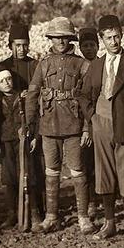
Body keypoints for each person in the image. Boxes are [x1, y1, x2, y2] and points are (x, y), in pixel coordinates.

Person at [25, 17, 94, 235]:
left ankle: (83, 217)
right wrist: (30, 125)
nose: (61, 41)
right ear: (51, 39)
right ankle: (52, 216)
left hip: (74, 126)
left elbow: (90, 97)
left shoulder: (82, 64)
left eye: (64, 37)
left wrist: (87, 128)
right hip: (48, 127)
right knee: (51, 172)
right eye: (57, 37)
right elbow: (33, 95)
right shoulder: (43, 64)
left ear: (70, 38)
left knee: (77, 171)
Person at [79, 15, 124, 241]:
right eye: (108, 38)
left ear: (122, 35)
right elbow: (83, 95)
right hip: (101, 123)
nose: (114, 42)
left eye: (117, 36)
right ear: (101, 39)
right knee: (104, 173)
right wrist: (93, 116)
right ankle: (109, 222)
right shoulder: (95, 65)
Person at [0, 69, 41, 231]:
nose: (7, 83)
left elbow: (34, 119)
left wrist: (34, 137)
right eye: (2, 81)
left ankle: (34, 212)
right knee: (9, 178)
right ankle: (12, 213)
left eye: (9, 79)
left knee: (28, 175)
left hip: (22, 142)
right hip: (5, 144)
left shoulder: (24, 98)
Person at [0, 23, 38, 105]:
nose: (22, 49)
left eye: (25, 45)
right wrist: (14, 98)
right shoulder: (1, 67)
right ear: (10, 46)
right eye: (18, 45)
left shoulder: (36, 65)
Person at [78, 27, 99, 218]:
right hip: (84, 122)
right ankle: (91, 201)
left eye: (92, 45)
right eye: (85, 46)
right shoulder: (79, 67)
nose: (89, 49)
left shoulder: (103, 65)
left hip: (101, 119)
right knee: (87, 164)